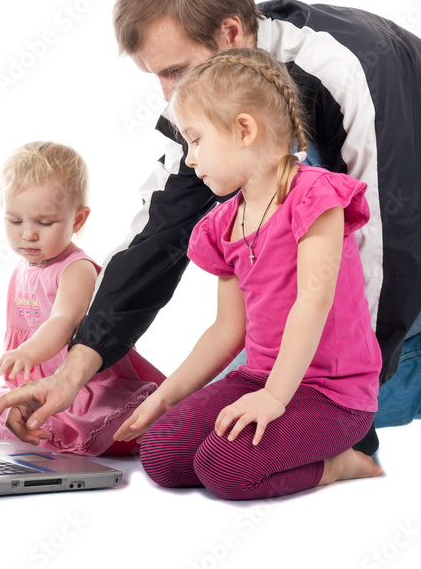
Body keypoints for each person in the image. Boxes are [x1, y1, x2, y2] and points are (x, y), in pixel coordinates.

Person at [0, 0, 421, 452]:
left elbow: (391, 230)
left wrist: (339, 413)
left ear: (231, 32)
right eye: (156, 77)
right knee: (238, 389)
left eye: (176, 70)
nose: (169, 95)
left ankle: (383, 381)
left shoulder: (347, 63)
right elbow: (159, 234)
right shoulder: (214, 96)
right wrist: (73, 370)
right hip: (406, 244)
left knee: (303, 188)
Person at [112, 48, 382, 500]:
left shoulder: (316, 196)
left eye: (195, 140)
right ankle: (277, 443)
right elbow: (227, 328)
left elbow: (312, 301)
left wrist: (274, 398)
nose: (191, 159)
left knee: (226, 470)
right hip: (259, 378)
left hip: (331, 394)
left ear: (243, 130)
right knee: (161, 454)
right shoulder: (222, 225)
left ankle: (335, 465)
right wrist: (165, 396)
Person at [0, 141, 164, 456]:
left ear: (78, 220)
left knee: (99, 423)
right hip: (37, 382)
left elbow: (63, 321)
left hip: (82, 383)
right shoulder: (23, 267)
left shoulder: (76, 269)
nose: (28, 234)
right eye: (15, 220)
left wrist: (28, 352)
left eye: (45, 223)